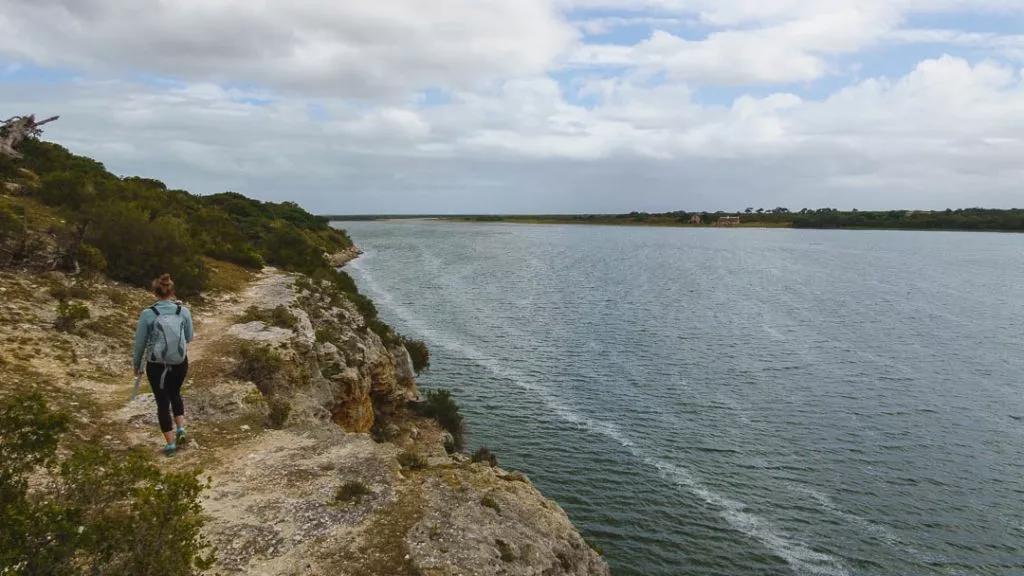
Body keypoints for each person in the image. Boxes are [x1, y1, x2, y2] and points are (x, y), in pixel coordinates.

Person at [132, 273, 195, 456]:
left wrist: (136, 365)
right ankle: (181, 429)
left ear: (154, 293)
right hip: (179, 361)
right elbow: (190, 336)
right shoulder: (183, 311)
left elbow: (140, 344)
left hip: (157, 365)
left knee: (162, 401)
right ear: (173, 292)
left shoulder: (148, 314)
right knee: (175, 393)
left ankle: (170, 444)